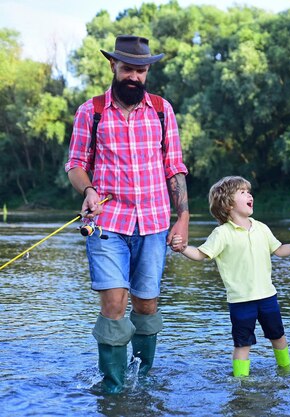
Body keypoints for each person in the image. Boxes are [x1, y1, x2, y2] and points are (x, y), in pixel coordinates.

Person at [65, 35, 189, 393]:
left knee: (146, 303)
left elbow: (174, 168)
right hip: (107, 222)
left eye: (141, 70)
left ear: (147, 71)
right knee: (115, 302)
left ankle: (143, 377)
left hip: (153, 222)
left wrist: (182, 216)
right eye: (128, 69)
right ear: (113, 67)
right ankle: (114, 386)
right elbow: (75, 165)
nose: (134, 76)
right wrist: (87, 190)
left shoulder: (163, 111)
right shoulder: (92, 111)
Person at [171, 176, 290, 377]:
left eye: (248, 191)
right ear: (227, 204)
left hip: (267, 296)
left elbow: (279, 249)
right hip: (240, 300)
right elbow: (200, 255)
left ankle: (286, 369)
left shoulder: (261, 228)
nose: (249, 195)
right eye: (243, 192)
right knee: (242, 343)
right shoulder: (222, 234)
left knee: (278, 336)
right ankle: (241, 381)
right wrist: (183, 248)